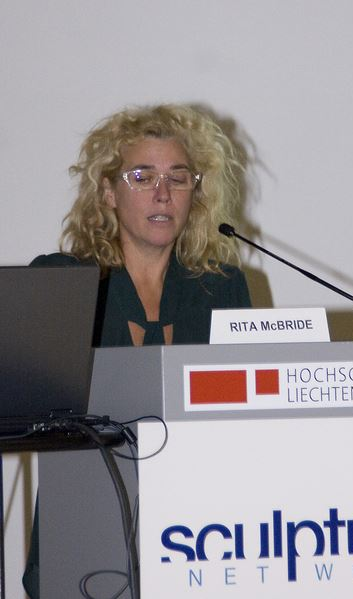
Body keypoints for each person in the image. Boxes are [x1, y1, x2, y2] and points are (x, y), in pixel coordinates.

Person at [23, 103, 251, 598]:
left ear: (195, 192)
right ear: (108, 191)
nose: (163, 193)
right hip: (82, 520)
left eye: (178, 177)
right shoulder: (64, 282)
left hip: (199, 533)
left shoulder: (222, 288)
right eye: (142, 177)